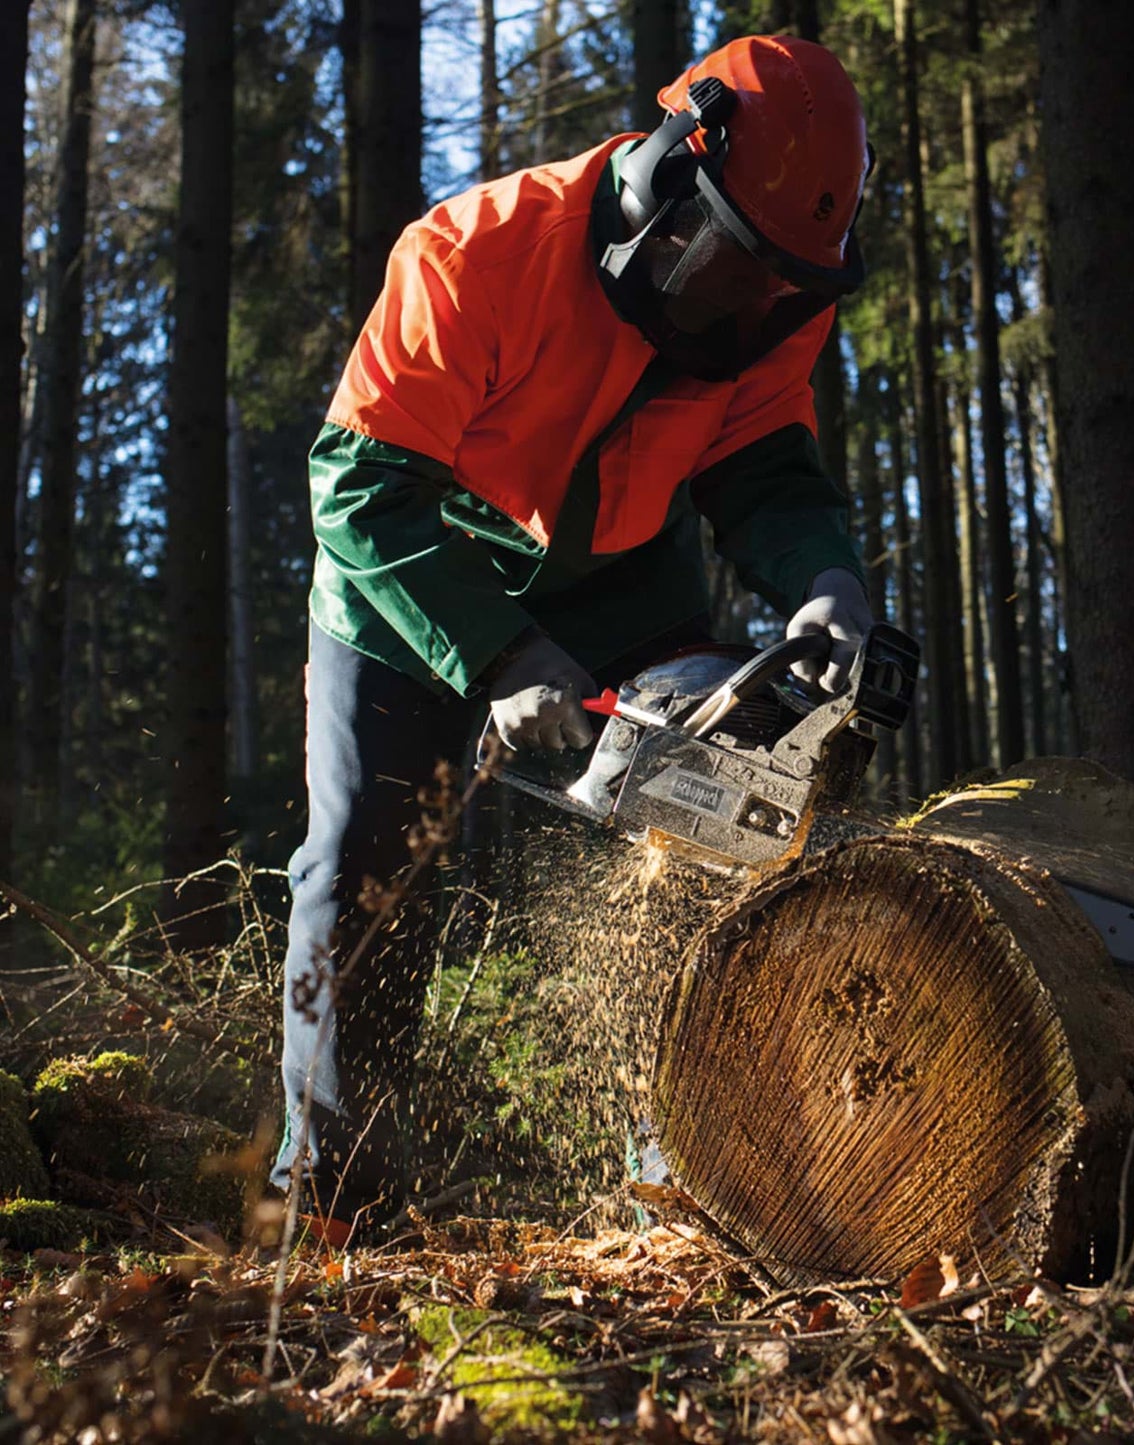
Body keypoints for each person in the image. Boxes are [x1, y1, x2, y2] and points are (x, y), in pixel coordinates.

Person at [272, 33, 878, 1239]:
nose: (742, 305)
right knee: (362, 866)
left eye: (775, 287)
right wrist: (497, 653)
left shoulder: (773, 300)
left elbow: (762, 463)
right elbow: (359, 487)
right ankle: (333, 1188)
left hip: (622, 577)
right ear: (664, 181)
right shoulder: (476, 253)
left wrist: (823, 581)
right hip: (415, 581)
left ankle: (692, 1168)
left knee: (715, 809)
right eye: (724, 265)